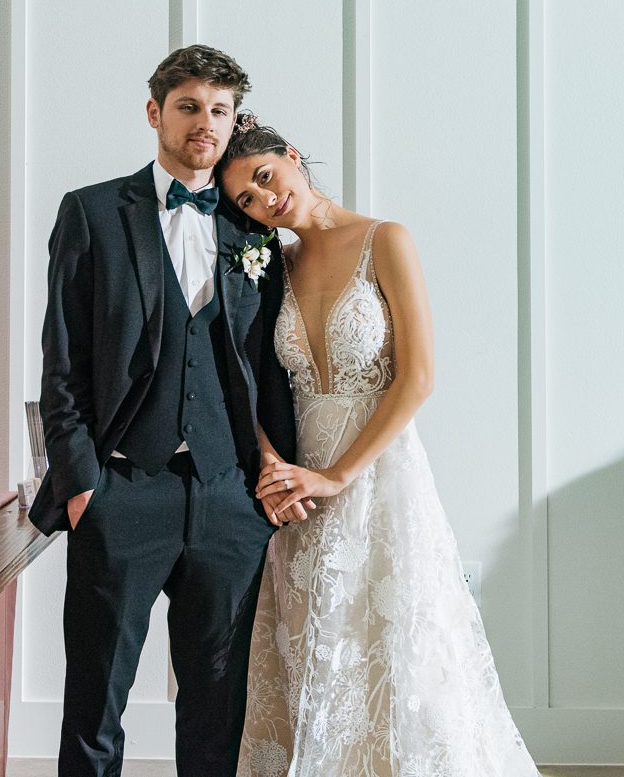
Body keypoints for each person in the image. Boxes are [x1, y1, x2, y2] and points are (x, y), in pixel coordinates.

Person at [216, 115, 543, 777]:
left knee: (396, 652)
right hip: (300, 492)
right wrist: (272, 460)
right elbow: (244, 374)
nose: (263, 198)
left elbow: (419, 375)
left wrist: (339, 474)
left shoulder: (384, 239)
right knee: (318, 655)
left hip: (378, 476)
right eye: (246, 199)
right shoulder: (270, 266)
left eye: (264, 176)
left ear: (291, 156)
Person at [29, 47, 300, 777]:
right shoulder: (91, 213)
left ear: (235, 119)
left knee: (217, 712)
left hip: (228, 498)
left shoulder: (255, 227)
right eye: (188, 107)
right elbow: (63, 363)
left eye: (219, 110)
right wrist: (85, 485)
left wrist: (268, 482)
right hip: (122, 493)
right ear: (155, 113)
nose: (203, 124)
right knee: (95, 706)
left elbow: (273, 368)